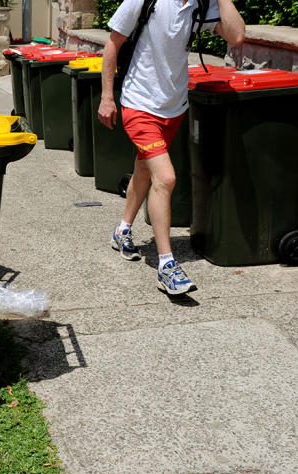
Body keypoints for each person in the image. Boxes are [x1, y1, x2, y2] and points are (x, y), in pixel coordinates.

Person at [99, 0, 244, 295]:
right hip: (139, 103)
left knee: (144, 169)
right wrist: (106, 97)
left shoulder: (200, 5)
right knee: (165, 178)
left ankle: (122, 230)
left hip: (174, 107)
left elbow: (236, 36)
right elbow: (113, 43)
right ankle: (167, 266)